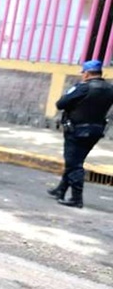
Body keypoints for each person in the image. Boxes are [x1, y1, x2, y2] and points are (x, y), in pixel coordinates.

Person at [50, 59, 113, 208]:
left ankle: (76, 198)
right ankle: (61, 190)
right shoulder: (110, 89)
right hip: (96, 130)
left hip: (77, 130)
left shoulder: (83, 88)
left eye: (83, 73)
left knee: (74, 163)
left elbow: (61, 104)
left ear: (87, 74)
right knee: (75, 160)